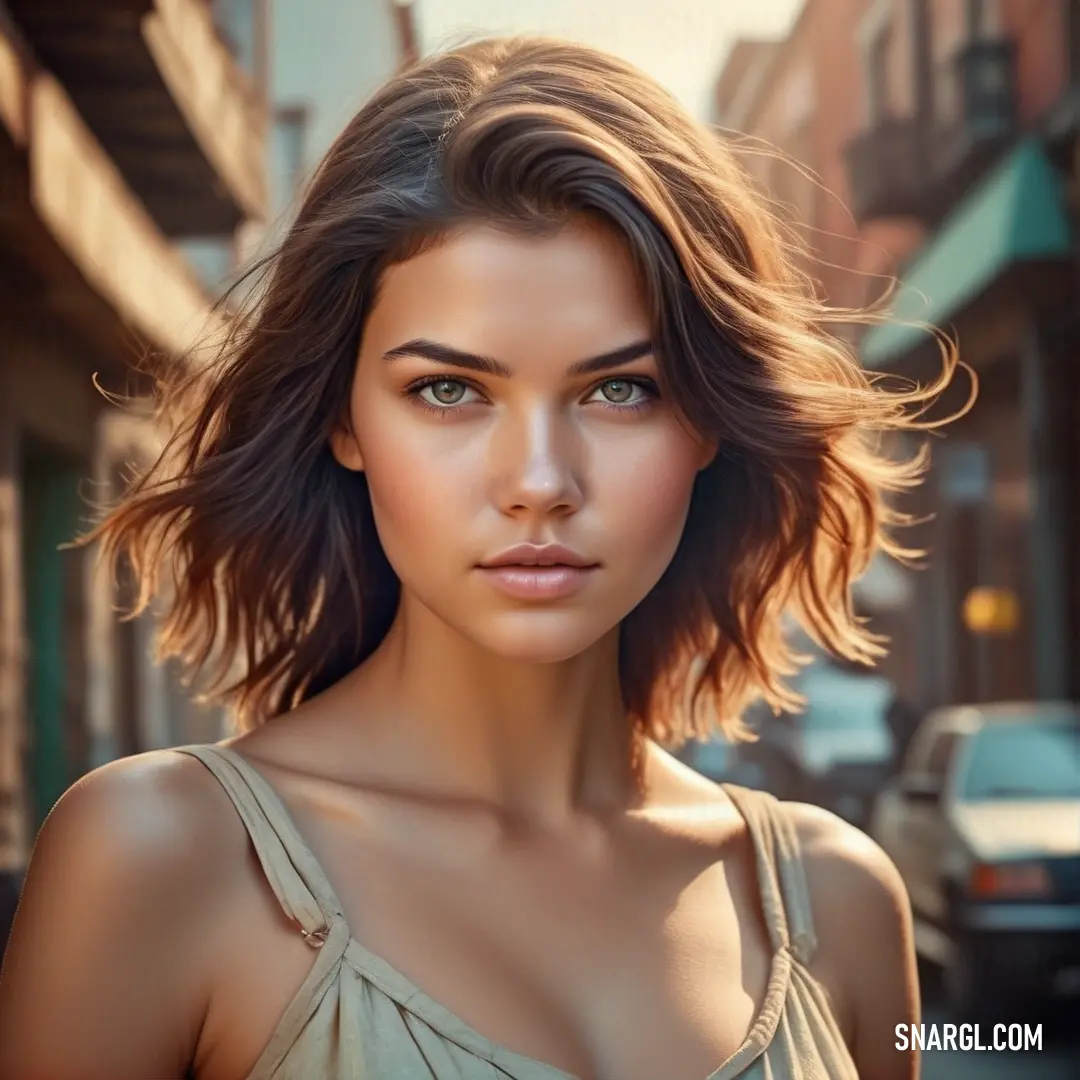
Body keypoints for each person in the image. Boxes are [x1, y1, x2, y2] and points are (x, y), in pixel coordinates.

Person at [0, 36, 955, 1080]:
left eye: (619, 389)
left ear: (710, 422)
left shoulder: (839, 902)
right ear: (345, 419)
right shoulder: (158, 862)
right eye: (449, 390)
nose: (539, 479)